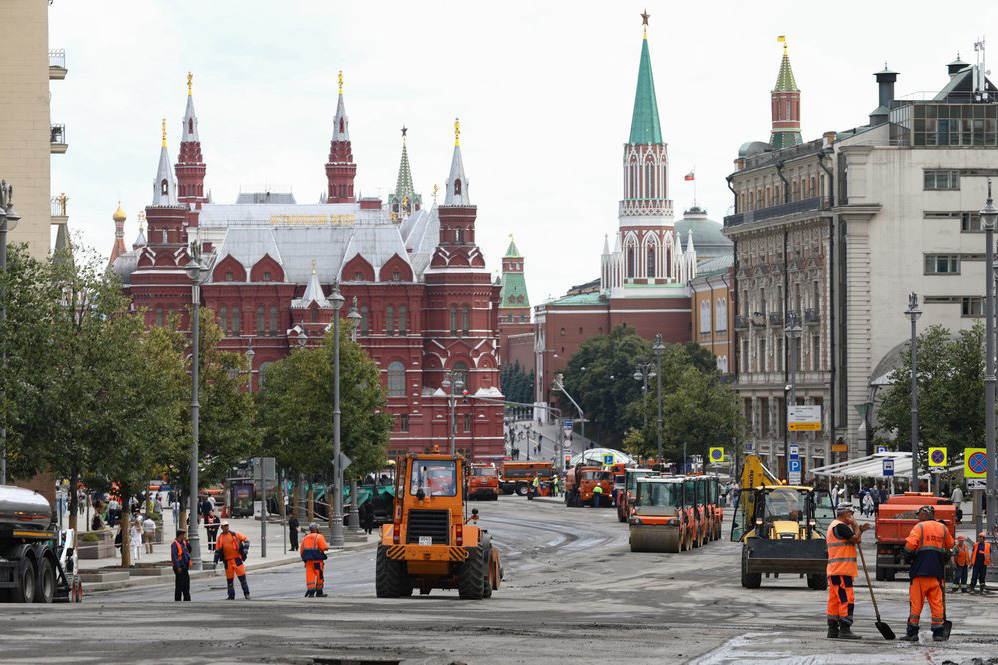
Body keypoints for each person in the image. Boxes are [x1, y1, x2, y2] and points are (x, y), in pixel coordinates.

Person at [901, 505, 955, 642]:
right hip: (937, 574)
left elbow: (909, 546)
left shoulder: (920, 527)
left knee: (916, 604)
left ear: (924, 514)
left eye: (919, 514)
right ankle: (938, 633)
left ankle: (912, 632)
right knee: (937, 604)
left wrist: (908, 557)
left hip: (919, 573)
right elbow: (950, 545)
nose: (918, 517)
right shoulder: (943, 528)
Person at [825, 502, 871, 639]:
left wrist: (860, 530)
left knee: (834, 600)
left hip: (836, 570)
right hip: (841, 570)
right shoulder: (840, 526)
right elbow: (856, 539)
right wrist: (856, 525)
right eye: (852, 515)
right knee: (846, 599)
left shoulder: (835, 526)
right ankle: (845, 629)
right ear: (847, 514)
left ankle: (832, 629)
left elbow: (854, 539)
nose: (853, 517)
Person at [214, 521, 251, 600]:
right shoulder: (220, 538)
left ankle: (246, 594)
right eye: (224, 526)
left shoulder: (235, 535)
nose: (226, 527)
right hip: (227, 561)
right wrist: (215, 561)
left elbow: (246, 539)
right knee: (230, 580)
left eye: (227, 525)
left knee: (242, 578)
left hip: (237, 559)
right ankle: (231, 596)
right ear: (221, 528)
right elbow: (217, 550)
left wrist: (245, 549)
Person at [300, 523, 329, 598]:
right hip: (317, 561)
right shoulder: (319, 537)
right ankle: (319, 592)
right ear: (316, 529)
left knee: (310, 576)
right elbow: (324, 547)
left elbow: (301, 551)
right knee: (319, 576)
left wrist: (304, 560)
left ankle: (311, 592)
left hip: (308, 561)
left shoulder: (305, 538)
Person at [170, 529, 191, 601]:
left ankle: (187, 598)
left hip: (185, 566)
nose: (184, 536)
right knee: (179, 584)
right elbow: (174, 556)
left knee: (186, 583)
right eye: (183, 535)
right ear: (180, 535)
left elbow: (189, 550)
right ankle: (178, 599)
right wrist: (178, 566)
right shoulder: (174, 544)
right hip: (179, 567)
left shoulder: (184, 543)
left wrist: (188, 543)